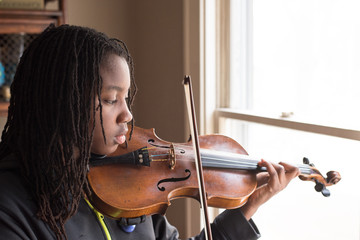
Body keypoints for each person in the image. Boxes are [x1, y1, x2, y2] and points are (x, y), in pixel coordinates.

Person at [0, 24, 299, 240]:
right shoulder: (10, 207)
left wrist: (250, 205)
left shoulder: (132, 187)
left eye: (126, 97)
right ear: (61, 100)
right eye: (109, 99)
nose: (127, 114)